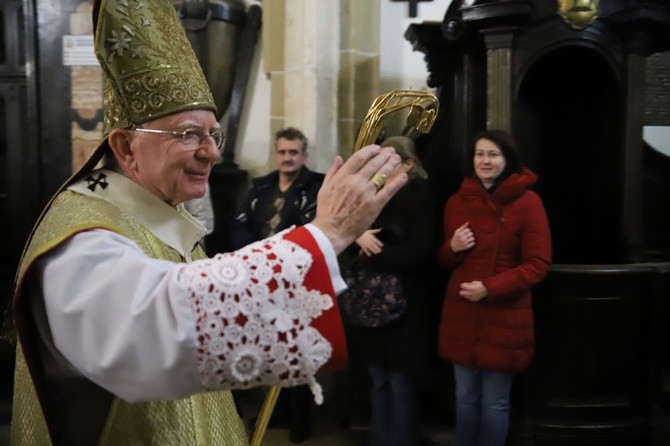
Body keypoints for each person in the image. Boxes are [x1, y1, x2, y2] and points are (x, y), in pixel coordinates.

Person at [6, 0, 407, 444]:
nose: (212, 153)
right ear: (124, 147)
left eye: (214, 134)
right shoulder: (79, 238)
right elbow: (157, 325)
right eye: (188, 135)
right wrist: (327, 233)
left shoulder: (160, 211)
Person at [436, 129, 552, 446]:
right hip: (462, 311)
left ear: (507, 159)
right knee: (464, 398)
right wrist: (453, 247)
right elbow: (444, 262)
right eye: (480, 154)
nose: (485, 161)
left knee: (494, 401)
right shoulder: (456, 202)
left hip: (505, 314)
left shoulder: (528, 202)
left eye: (493, 154)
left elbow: (538, 263)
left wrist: (490, 288)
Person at [341, 136, 440, 446]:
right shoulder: (372, 194)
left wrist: (371, 250)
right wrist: (357, 237)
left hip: (406, 304)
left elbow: (420, 253)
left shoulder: (423, 196)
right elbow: (343, 238)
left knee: (400, 383)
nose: (382, 168)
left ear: (409, 165)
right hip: (371, 302)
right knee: (378, 381)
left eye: (390, 161)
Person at [230, 126, 324, 443]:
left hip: (297, 279)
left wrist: (277, 258)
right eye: (282, 152)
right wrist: (254, 257)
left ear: (304, 156)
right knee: (272, 347)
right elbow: (240, 225)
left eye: (293, 152)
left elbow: (311, 230)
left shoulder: (315, 188)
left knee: (299, 350)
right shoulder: (262, 188)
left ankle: (301, 417)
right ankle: (277, 410)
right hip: (261, 278)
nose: (287, 157)